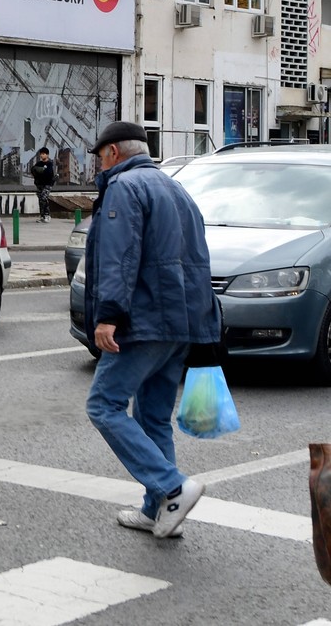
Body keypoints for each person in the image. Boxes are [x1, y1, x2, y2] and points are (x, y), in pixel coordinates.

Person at [82, 120, 222, 539]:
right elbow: (199, 260)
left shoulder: (124, 189)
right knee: (152, 418)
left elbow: (120, 258)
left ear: (112, 154)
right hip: (181, 323)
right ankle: (157, 510)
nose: (97, 166)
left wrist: (108, 315)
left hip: (144, 320)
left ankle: (171, 488)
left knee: (103, 405)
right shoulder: (176, 188)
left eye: (98, 157)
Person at [30, 146, 55, 223]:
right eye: (41, 154)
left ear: (47, 155)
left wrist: (41, 171)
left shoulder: (49, 164)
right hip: (39, 184)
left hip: (47, 184)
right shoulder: (39, 163)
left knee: (44, 198)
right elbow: (33, 170)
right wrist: (41, 171)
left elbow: (48, 173)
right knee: (40, 200)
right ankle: (42, 216)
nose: (42, 155)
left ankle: (47, 215)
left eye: (43, 154)